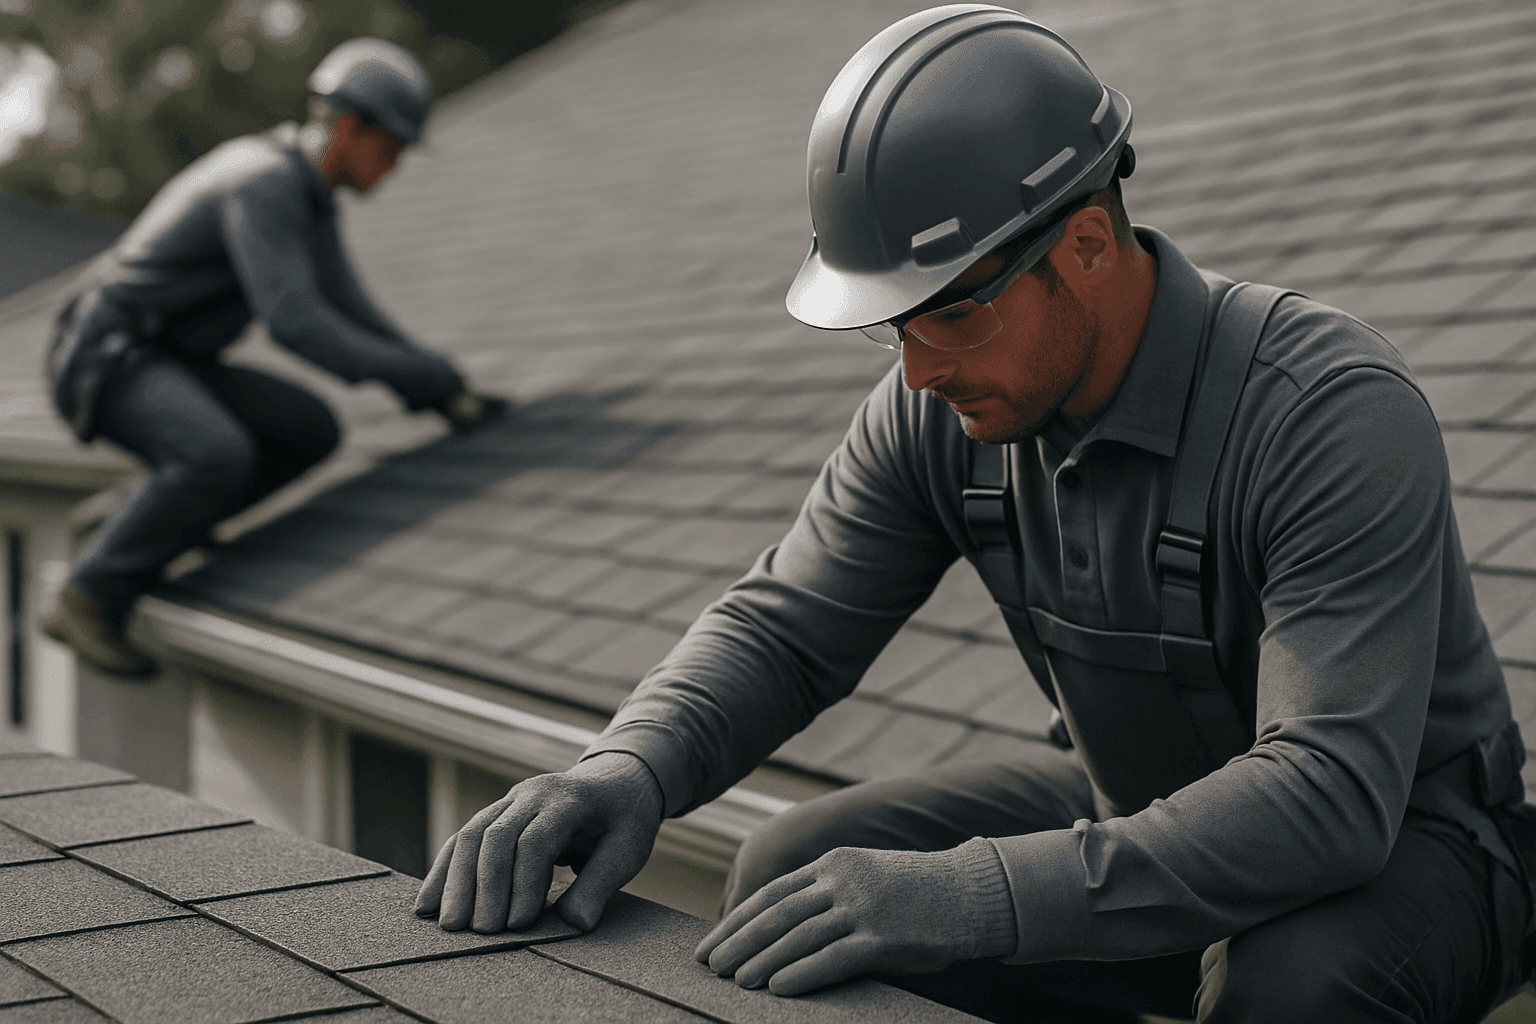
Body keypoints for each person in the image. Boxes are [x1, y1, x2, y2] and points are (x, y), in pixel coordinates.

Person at [414, 7, 1535, 1022]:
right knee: (795, 884)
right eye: (890, 326)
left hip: (1409, 848)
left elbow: (1328, 797)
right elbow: (786, 627)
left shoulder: (1326, 413)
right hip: (1134, 806)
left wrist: (969, 895)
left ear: (1087, 245)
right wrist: (630, 768)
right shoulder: (942, 414)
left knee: (1289, 991)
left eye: (945, 315)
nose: (912, 375)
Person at [42, 38, 503, 679]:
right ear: (348, 127)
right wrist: (419, 376)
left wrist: (438, 382)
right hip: (106, 355)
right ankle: (89, 594)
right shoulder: (264, 183)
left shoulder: (308, 193)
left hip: (163, 358)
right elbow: (300, 325)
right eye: (391, 147)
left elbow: (349, 304)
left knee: (309, 429)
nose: (394, 166)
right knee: (216, 454)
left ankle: (134, 517)